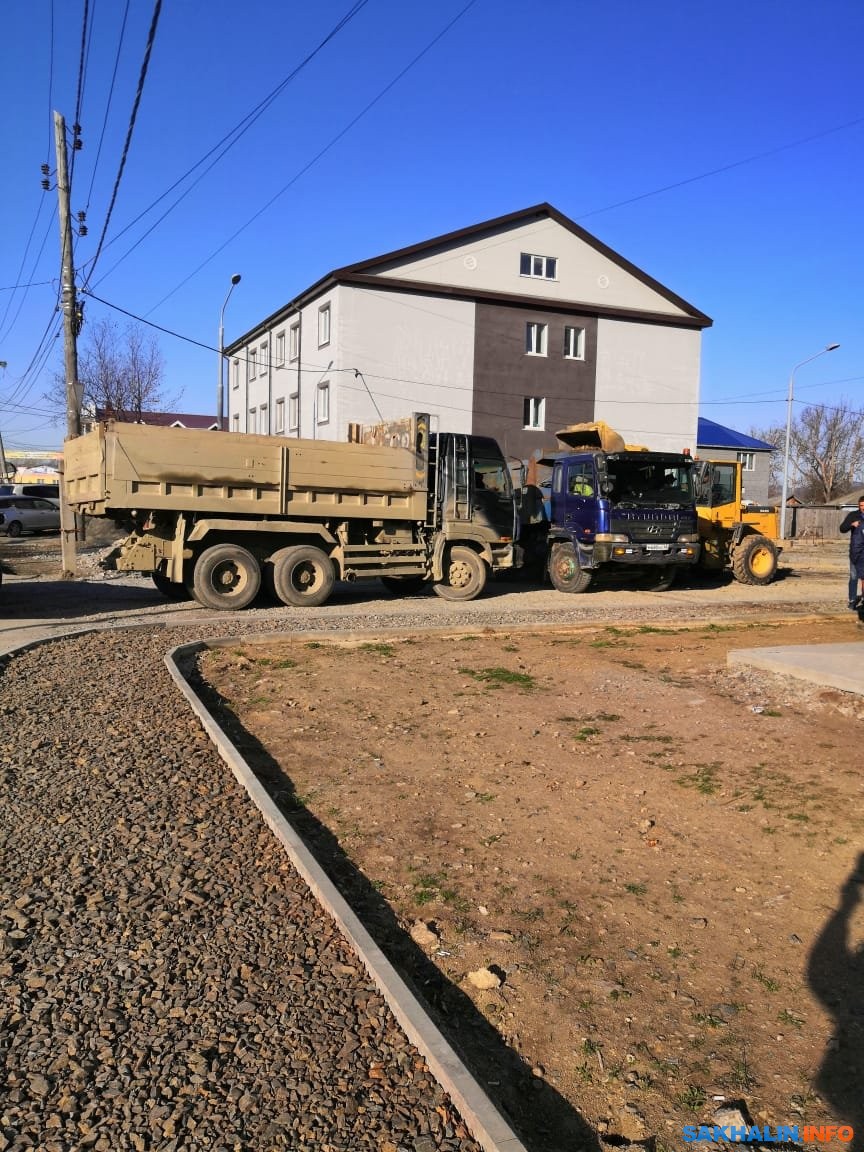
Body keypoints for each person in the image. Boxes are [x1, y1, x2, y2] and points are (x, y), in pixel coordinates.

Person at [839, 496, 864, 610]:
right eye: (861, 506)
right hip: (855, 551)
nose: (862, 508)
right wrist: (851, 524)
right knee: (853, 576)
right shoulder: (853, 515)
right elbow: (842, 528)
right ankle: (852, 600)